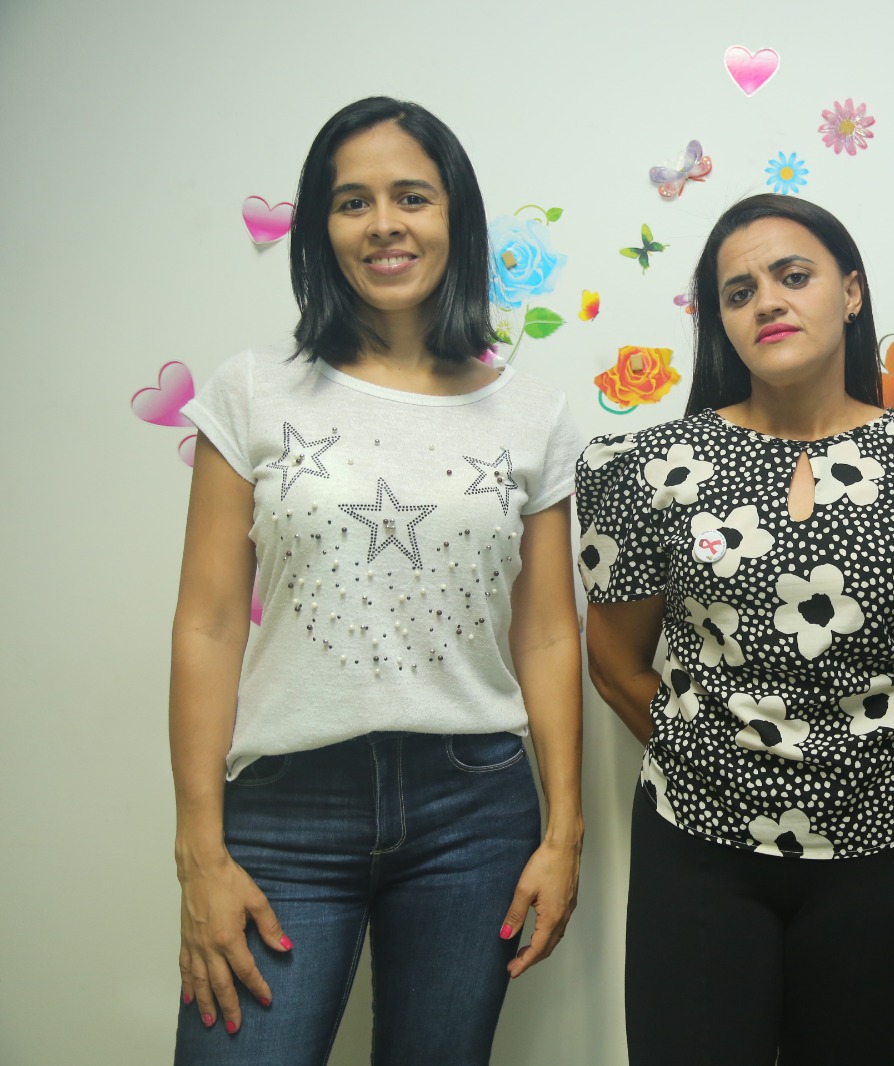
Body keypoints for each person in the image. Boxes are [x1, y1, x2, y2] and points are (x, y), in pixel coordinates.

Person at [169, 97, 583, 1065]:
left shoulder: (534, 413)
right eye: (352, 201)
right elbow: (209, 624)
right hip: (284, 806)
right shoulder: (251, 390)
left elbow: (547, 633)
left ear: (455, 218)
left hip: (475, 811)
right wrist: (198, 849)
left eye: (412, 197)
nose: (384, 224)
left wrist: (565, 831)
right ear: (320, 229)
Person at [576, 194, 894, 1065]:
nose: (767, 302)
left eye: (793, 276)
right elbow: (615, 663)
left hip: (884, 850)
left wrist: (867, 763)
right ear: (721, 324)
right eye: (738, 293)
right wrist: (717, 763)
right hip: (697, 847)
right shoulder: (649, 469)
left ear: (850, 292)